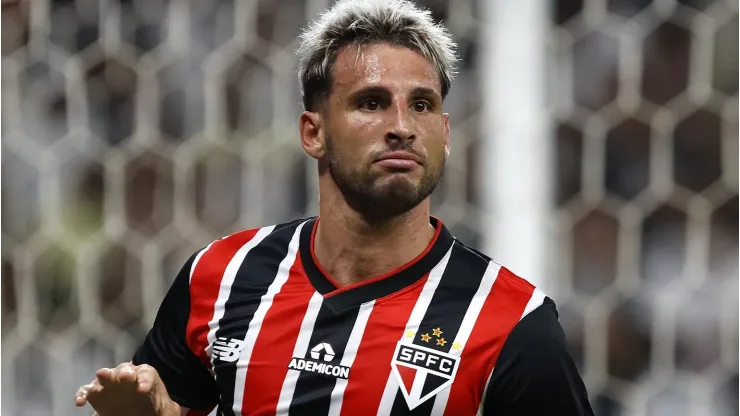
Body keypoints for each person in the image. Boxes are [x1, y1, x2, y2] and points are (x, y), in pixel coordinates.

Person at [75, 0, 594, 414]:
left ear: (445, 131)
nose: (402, 126)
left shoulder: (510, 323)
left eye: (422, 104)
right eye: (371, 102)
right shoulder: (223, 275)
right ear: (313, 132)